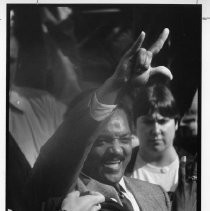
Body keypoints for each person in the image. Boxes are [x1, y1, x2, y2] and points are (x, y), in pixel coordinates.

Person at [25, 28, 172, 211]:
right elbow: (66, 149)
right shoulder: (63, 194)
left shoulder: (157, 195)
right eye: (102, 141)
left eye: (125, 138)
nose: (116, 150)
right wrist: (116, 84)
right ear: (81, 146)